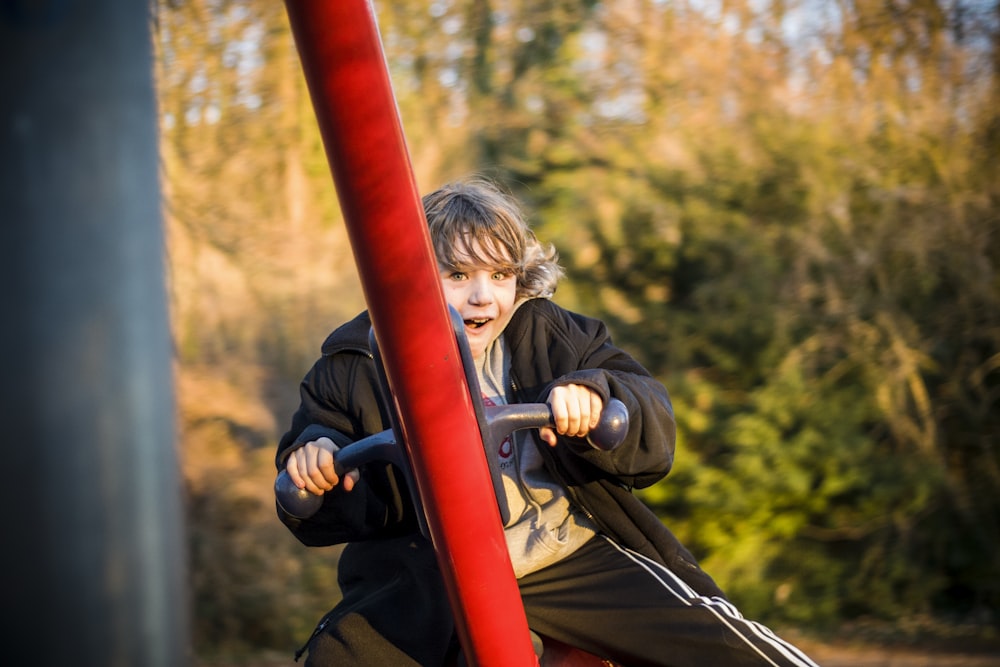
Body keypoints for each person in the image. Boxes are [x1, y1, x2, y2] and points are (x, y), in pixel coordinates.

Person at [276, 177, 820, 667]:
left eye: (499, 274)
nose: (482, 295)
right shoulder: (356, 366)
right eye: (458, 274)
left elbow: (647, 413)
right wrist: (317, 459)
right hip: (429, 569)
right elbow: (319, 481)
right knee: (341, 657)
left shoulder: (551, 336)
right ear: (413, 279)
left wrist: (596, 395)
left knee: (721, 644)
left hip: (561, 548)